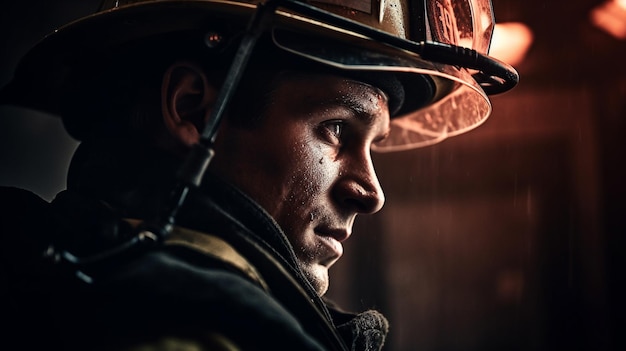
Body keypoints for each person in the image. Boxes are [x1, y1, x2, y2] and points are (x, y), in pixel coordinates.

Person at [0, 0, 517, 350]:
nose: (371, 192)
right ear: (193, 109)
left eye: (373, 145)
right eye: (336, 128)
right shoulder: (171, 328)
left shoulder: (68, 280)